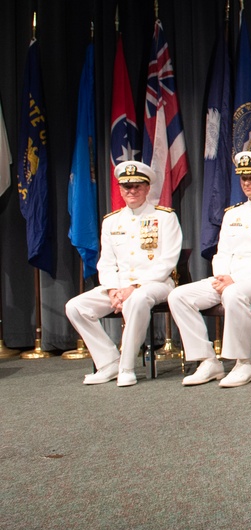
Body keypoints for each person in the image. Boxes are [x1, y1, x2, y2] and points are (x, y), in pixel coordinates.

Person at [167, 151, 251, 388]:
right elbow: (222, 252)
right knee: (178, 296)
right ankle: (207, 361)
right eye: (243, 178)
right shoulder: (233, 213)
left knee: (234, 293)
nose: (247, 183)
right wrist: (222, 276)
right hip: (229, 279)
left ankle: (243, 363)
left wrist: (234, 279)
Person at [65, 162, 182, 387]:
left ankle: (127, 367)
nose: (131, 191)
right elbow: (106, 262)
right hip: (118, 286)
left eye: (137, 186)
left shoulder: (165, 218)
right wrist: (111, 289)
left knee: (136, 299)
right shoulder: (111, 221)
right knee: (75, 306)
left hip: (156, 283)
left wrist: (134, 287)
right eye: (126, 187)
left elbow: (168, 262)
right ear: (120, 189)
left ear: (147, 189)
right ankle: (108, 362)